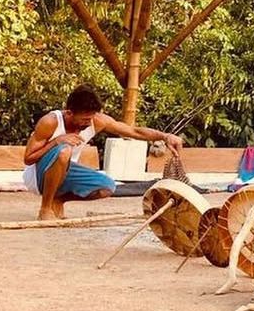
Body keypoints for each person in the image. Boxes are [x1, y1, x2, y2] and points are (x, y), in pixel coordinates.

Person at [23, 84, 183, 221]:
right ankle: (45, 209)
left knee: (107, 187)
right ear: (69, 113)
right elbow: (29, 159)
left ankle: (58, 200)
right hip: (37, 177)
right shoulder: (50, 121)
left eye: (90, 118)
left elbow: (135, 131)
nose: (88, 123)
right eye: (84, 119)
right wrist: (56, 141)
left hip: (64, 171)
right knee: (64, 151)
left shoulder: (96, 120)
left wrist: (165, 136)